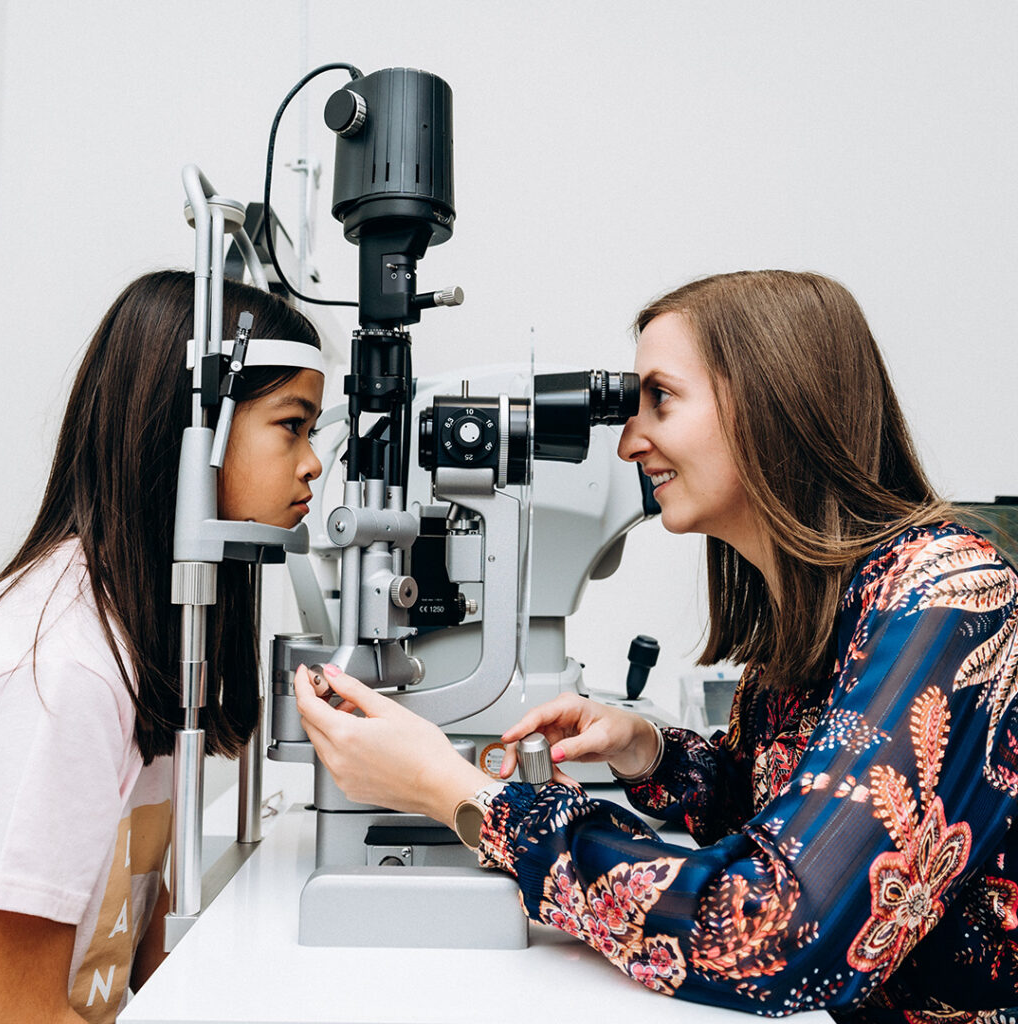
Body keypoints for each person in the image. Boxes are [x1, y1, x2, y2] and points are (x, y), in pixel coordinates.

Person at [294, 269, 1018, 1022]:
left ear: (769, 402)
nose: (630, 442)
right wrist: (653, 753)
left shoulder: (947, 593)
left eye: (660, 400)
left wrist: (458, 796)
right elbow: (790, 816)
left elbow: (776, 929)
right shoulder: (821, 604)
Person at [0, 269, 324, 1024]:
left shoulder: (153, 630)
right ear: (192, 427)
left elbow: (144, 939)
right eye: (291, 425)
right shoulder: (65, 667)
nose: (313, 463)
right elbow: (15, 1011)